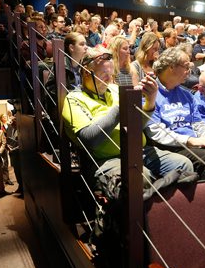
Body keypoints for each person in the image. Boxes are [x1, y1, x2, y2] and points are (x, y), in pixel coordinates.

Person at [62, 46, 194, 184]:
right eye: (104, 74)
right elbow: (89, 139)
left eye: (111, 74)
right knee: (141, 178)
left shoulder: (114, 89)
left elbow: (138, 125)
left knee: (184, 165)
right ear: (87, 73)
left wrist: (150, 101)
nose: (108, 79)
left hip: (139, 150)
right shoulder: (74, 99)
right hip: (107, 159)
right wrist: (122, 106)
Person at [144, 47, 205, 181]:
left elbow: (197, 124)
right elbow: (156, 132)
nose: (189, 72)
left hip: (194, 142)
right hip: (170, 146)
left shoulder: (186, 94)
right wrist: (190, 140)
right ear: (171, 67)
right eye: (186, 67)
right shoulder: (150, 93)